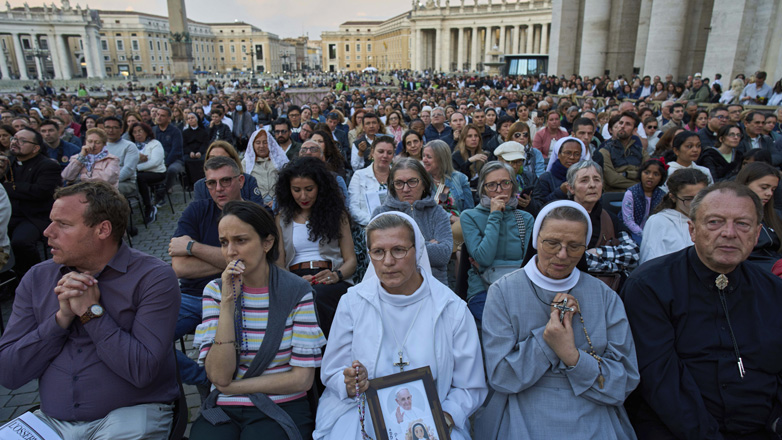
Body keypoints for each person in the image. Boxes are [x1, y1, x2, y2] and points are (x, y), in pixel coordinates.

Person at [0, 181, 180, 439]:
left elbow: (142, 371)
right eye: (52, 222)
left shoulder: (153, 277)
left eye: (63, 224)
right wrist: (60, 320)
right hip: (51, 420)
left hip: (130, 413)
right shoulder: (37, 279)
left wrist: (91, 312)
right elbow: (9, 374)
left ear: (102, 229)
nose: (47, 232)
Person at [623, 181, 782, 440]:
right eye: (714, 222)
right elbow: (660, 379)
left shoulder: (773, 291)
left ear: (756, 234)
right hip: (676, 430)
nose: (729, 233)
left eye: (742, 224)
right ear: (692, 230)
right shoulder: (650, 286)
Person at [313, 211, 487, 440]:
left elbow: (469, 385)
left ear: (418, 251)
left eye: (399, 250)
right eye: (378, 252)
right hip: (361, 410)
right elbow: (333, 370)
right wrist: (350, 382)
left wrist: (442, 418)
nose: (388, 261)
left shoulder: (451, 308)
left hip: (435, 415)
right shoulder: (353, 302)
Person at [476, 200, 639, 439]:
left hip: (593, 407)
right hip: (523, 406)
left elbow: (624, 381)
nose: (562, 255)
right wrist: (547, 341)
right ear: (535, 239)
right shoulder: (503, 291)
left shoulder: (605, 296)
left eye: (574, 246)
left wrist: (571, 356)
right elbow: (501, 377)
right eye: (552, 243)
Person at [189, 201, 326, 439]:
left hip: (282, 404)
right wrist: (228, 303)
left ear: (267, 242)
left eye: (241, 240)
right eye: (224, 242)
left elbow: (302, 379)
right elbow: (219, 376)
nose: (230, 251)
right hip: (225, 408)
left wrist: (233, 388)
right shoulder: (215, 291)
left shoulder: (296, 291)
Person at [169, 156, 247, 386]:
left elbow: (255, 265)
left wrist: (193, 247)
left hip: (238, 296)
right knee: (148, 338)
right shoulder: (196, 211)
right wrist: (233, 261)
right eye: (211, 183)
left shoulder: (254, 213)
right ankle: (204, 379)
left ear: (241, 180)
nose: (218, 189)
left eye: (225, 181)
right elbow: (180, 268)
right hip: (193, 297)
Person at [274, 157, 356, 338]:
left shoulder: (337, 215)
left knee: (316, 297)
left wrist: (337, 275)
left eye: (309, 189)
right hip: (294, 279)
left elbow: (351, 260)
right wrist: (296, 281)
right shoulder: (281, 219)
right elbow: (279, 265)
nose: (303, 196)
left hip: (330, 277)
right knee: (308, 296)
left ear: (320, 187)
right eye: (296, 190)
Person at [460, 161, 535, 325]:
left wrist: (488, 267)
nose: (499, 190)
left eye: (505, 183)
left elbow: (529, 263)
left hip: (519, 288)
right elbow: (484, 257)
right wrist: (495, 215)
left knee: (528, 322)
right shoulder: (470, 216)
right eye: (492, 185)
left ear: (513, 185)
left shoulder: (525, 218)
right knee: (500, 322)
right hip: (483, 289)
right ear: (483, 189)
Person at [373, 158, 453, 285]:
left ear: (424, 183)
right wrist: (426, 245)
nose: (405, 189)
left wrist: (397, 249)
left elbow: (443, 255)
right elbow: (376, 256)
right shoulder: (381, 214)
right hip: (392, 286)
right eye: (399, 183)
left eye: (412, 181)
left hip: (433, 285)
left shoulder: (437, 212)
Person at [567, 161, 640, 281]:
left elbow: (633, 253)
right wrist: (617, 267)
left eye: (596, 179)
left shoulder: (609, 217)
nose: (592, 185)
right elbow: (572, 260)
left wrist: (599, 252)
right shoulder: (561, 217)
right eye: (584, 180)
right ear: (571, 188)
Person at [639, 168, 709, 265]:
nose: (696, 204)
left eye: (701, 197)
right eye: (688, 199)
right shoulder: (659, 221)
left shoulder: (713, 221)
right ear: (673, 197)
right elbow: (651, 263)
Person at [736, 162, 782, 273]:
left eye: (773, 189)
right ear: (745, 184)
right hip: (753, 272)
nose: (769, 193)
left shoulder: (775, 215)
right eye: (764, 187)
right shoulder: (730, 217)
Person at [193, 141, 265, 206]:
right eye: (212, 158)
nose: (217, 162)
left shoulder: (248, 180)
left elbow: (258, 208)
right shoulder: (200, 186)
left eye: (223, 158)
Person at [601, 112, 649, 192]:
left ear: (635, 130)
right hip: (615, 198)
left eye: (628, 124)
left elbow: (648, 175)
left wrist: (627, 174)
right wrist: (642, 183)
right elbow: (612, 180)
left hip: (639, 195)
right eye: (621, 123)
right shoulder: (605, 150)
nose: (622, 126)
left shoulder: (641, 151)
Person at [622, 159, 667, 243]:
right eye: (647, 172)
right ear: (641, 173)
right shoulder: (631, 193)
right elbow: (628, 220)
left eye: (656, 174)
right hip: (631, 233)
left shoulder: (663, 196)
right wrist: (644, 235)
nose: (650, 177)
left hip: (654, 234)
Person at [242, 128, 289, 208]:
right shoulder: (246, 163)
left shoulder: (279, 160)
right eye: (258, 143)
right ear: (252, 145)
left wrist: (276, 201)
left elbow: (287, 183)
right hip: (254, 205)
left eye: (265, 142)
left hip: (279, 203)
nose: (262, 146)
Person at [130, 122, 167, 224]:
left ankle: (148, 207)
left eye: (140, 131)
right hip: (138, 173)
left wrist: (136, 167)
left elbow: (155, 162)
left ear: (146, 132)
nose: (138, 134)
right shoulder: (132, 146)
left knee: (140, 178)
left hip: (157, 172)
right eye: (135, 132)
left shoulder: (155, 144)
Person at [533, 137, 585, 206]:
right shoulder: (546, 178)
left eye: (576, 154)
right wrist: (561, 192)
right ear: (559, 154)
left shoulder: (585, 177)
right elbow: (541, 205)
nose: (572, 157)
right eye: (568, 153)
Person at [183, 111, 210, 187]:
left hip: (201, 152)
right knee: (186, 161)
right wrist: (190, 152)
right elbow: (184, 145)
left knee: (203, 160)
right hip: (189, 153)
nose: (190, 120)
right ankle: (190, 184)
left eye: (192, 118)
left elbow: (205, 144)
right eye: (188, 118)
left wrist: (200, 152)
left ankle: (203, 182)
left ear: (197, 119)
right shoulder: (185, 133)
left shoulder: (203, 132)